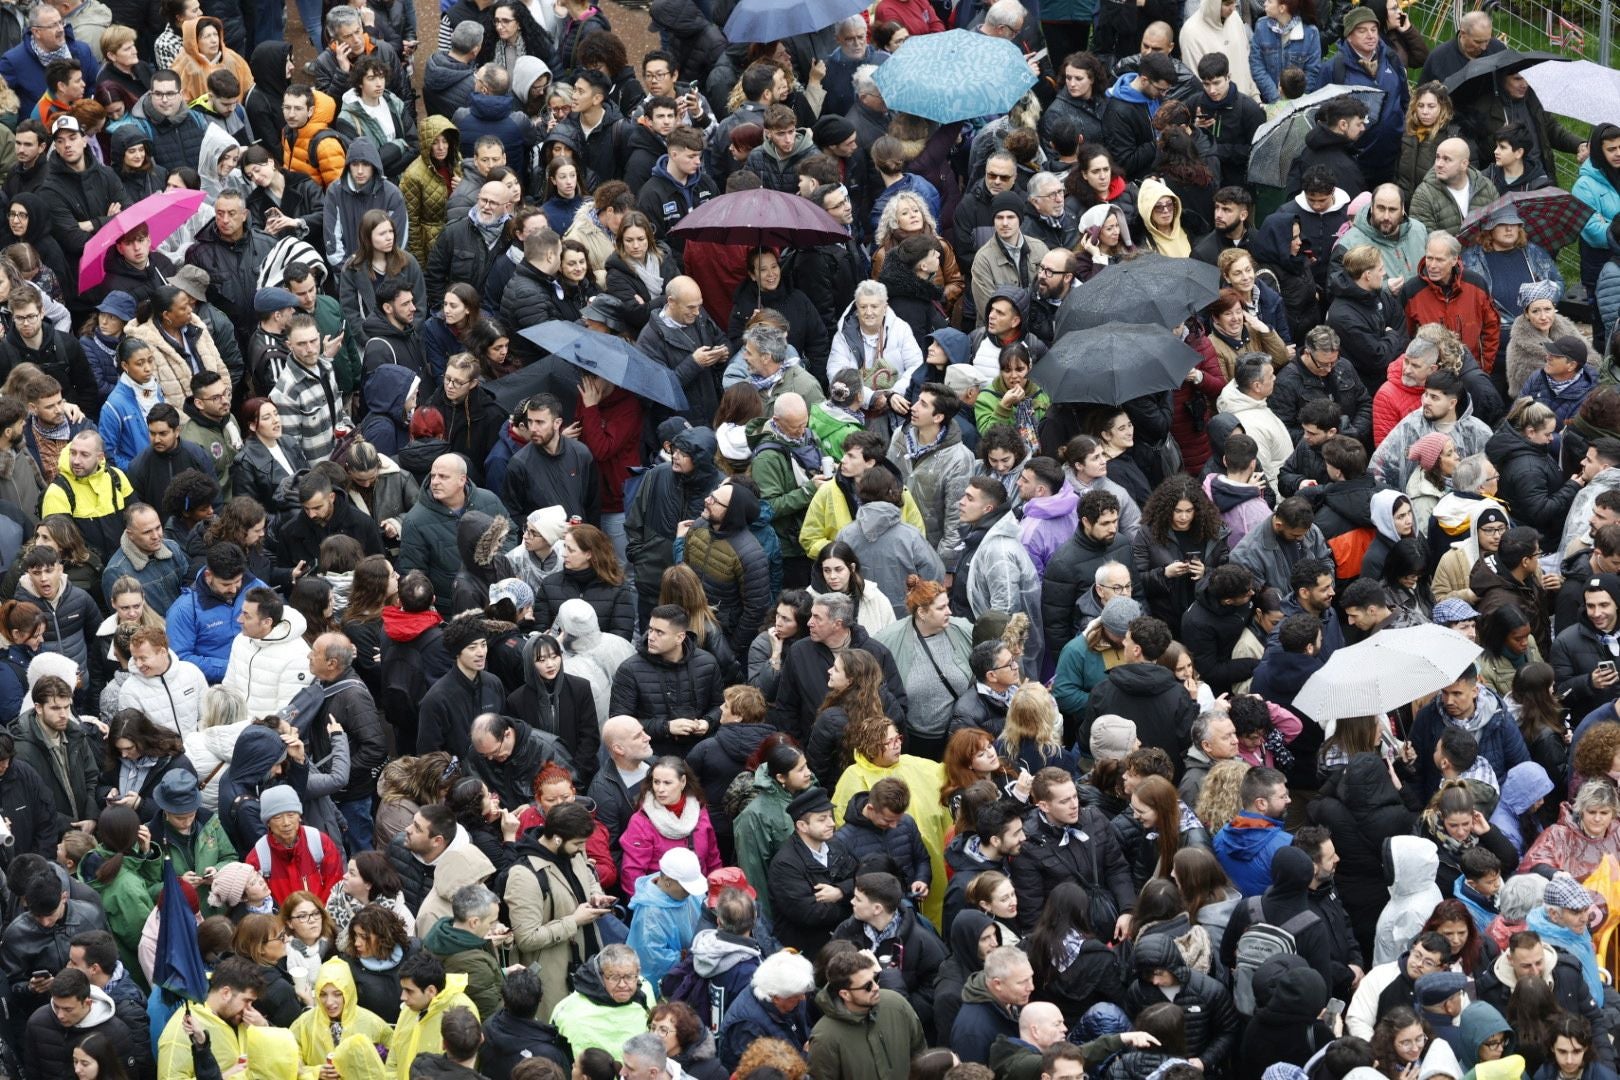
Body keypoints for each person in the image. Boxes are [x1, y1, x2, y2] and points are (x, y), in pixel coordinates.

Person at [809, 947, 925, 1080]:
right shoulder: (824, 1038)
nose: (876, 987)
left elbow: (920, 1054)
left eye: (876, 979)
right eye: (867, 986)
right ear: (845, 994)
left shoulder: (897, 1004)